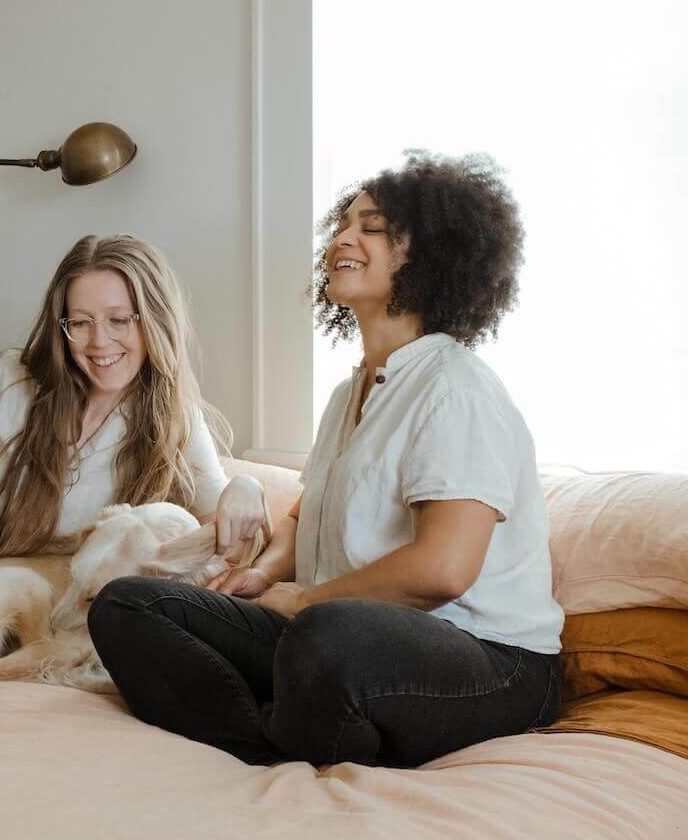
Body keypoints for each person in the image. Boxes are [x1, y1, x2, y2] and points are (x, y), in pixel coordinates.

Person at [90, 153, 564, 768]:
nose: (342, 237)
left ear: (431, 254)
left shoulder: (455, 389)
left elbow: (444, 568)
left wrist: (306, 601)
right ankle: (269, 744)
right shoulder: (352, 393)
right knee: (130, 605)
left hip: (490, 662)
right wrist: (262, 576)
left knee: (324, 637)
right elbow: (305, 513)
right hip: (339, 635)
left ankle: (301, 721)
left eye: (371, 227)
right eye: (343, 224)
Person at [0, 234, 268, 561]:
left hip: (40, 590)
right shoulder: (12, 378)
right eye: (81, 323)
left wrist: (248, 486)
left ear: (154, 322)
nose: (99, 342)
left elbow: (221, 525)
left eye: (119, 320)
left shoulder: (173, 418)